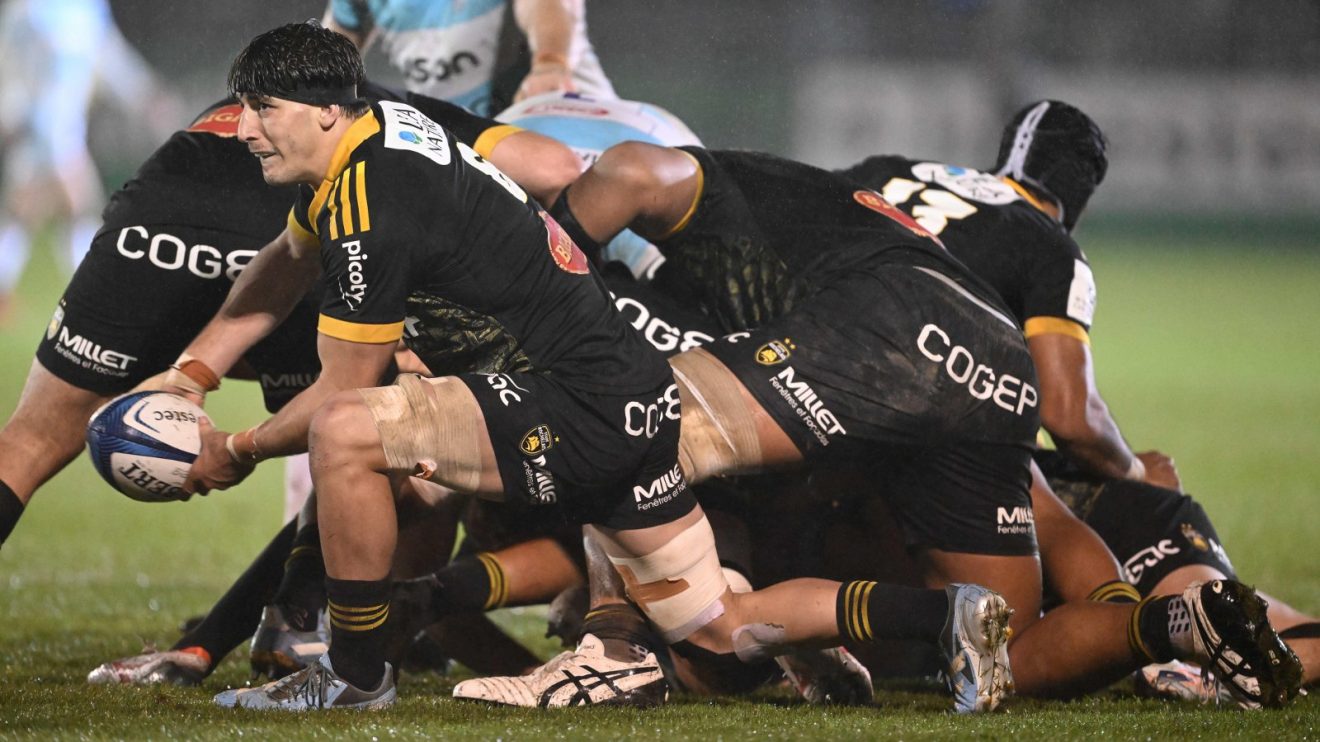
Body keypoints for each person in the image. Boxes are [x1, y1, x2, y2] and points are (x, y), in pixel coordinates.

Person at [178, 23, 1004, 713]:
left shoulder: (367, 198)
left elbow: (342, 390)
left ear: (325, 112)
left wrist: (235, 449)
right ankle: (948, 618)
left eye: (262, 109)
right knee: (715, 623)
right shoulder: (385, 132)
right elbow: (291, 250)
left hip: (566, 404)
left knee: (348, 433)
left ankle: (352, 678)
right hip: (631, 395)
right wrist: (192, 371)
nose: (243, 127)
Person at [452, 138, 1301, 709]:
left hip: (879, 330)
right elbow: (1060, 455)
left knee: (627, 430)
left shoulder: (780, 188)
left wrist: (546, 273)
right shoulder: (983, 229)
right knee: (1002, 642)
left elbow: (633, 169)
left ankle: (617, 649)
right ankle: (1165, 623)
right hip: (992, 362)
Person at [839, 100, 1178, 490]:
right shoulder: (1051, 248)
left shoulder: (885, 170)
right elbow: (1070, 419)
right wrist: (1137, 470)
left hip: (799, 380)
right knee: (1070, 506)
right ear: (1080, 194)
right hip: (907, 434)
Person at [0, 0, 177, 319]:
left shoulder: (87, 9)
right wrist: (11, 110)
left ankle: (82, 294)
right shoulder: (29, 9)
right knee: (74, 207)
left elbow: (110, 59)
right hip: (44, 127)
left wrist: (147, 96)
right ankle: (94, 295)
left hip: (62, 128)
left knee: (27, 211)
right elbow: (9, 57)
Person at [324, 0, 615, 116]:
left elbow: (545, 6)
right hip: (476, 151)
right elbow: (328, 54)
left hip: (570, 127)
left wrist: (550, 64)